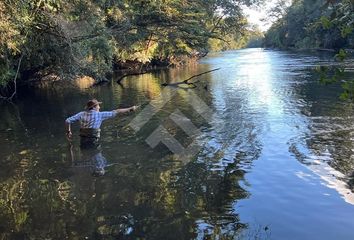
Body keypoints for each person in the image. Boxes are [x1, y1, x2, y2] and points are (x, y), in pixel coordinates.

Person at [65, 99, 137, 148]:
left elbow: (67, 121)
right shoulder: (100, 115)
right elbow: (117, 111)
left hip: (83, 142)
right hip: (93, 142)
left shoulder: (81, 114)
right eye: (98, 106)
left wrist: (69, 131)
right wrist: (130, 109)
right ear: (94, 107)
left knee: (86, 154)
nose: (99, 107)